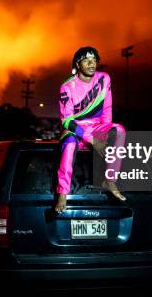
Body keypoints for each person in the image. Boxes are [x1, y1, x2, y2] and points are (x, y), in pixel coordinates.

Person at [55, 46, 126, 213]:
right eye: (86, 60)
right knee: (70, 146)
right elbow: (66, 121)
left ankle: (110, 180)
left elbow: (107, 109)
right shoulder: (67, 86)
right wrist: (93, 140)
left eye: (94, 60)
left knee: (120, 130)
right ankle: (63, 193)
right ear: (78, 64)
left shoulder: (104, 79)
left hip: (97, 127)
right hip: (76, 129)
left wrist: (102, 135)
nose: (91, 63)